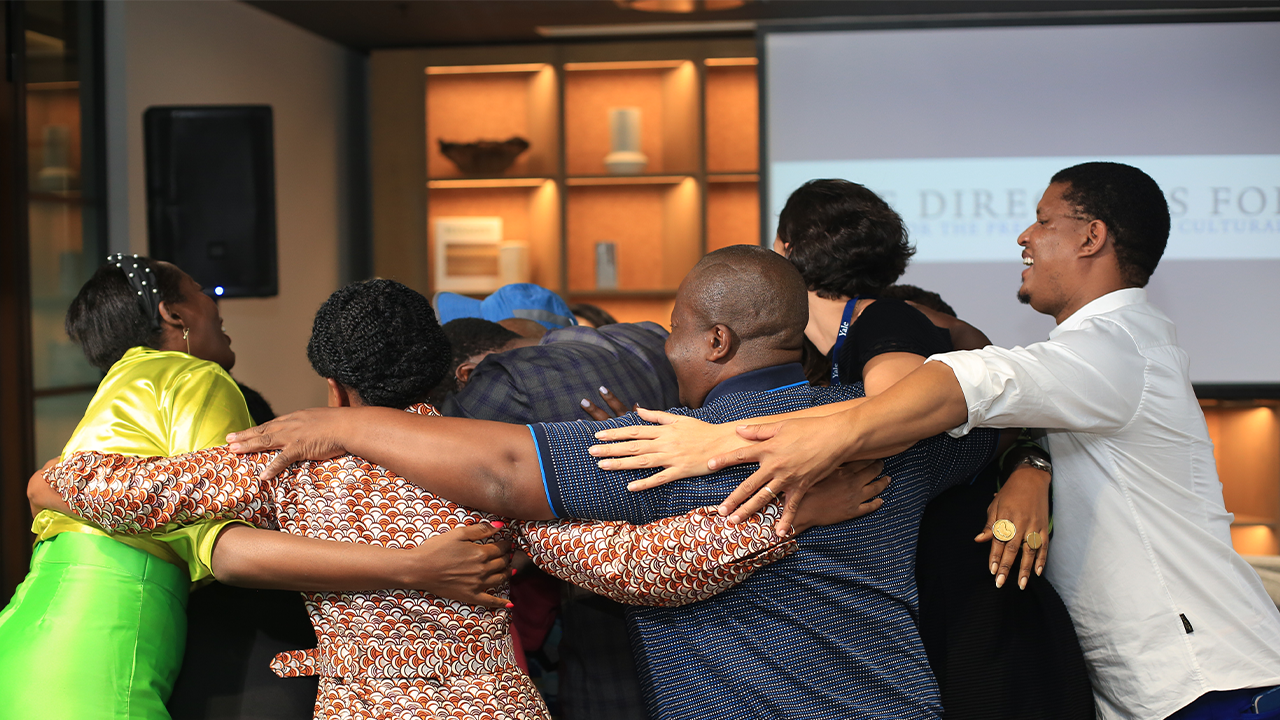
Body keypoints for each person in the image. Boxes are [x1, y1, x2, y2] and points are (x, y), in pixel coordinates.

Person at [203, 246, 997, 719]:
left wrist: (339, 426)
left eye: (676, 332)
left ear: (716, 339)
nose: (667, 353)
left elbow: (499, 469)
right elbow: (1007, 412)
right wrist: (1027, 467)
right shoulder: (895, 431)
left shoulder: (651, 449)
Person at [623, 164, 1280, 719]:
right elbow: (1022, 410)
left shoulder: (1116, 345)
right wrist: (1029, 465)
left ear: (1091, 236)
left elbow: (964, 385)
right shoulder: (1094, 353)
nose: (1024, 235)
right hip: (1151, 681)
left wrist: (750, 441)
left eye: (1043, 221)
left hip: (1205, 678)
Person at [42, 278, 861, 720]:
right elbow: (634, 566)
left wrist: (53, 482)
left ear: (335, 383)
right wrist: (784, 515)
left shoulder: (280, 461)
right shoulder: (490, 469)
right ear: (450, 368)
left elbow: (88, 488)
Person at [6, 257, 504, 720]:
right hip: (105, 628)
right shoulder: (495, 457)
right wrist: (418, 566)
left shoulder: (128, 389)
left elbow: (203, 526)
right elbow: (225, 547)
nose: (217, 306)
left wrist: (53, 483)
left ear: (333, 387)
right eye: (204, 291)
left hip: (43, 615)